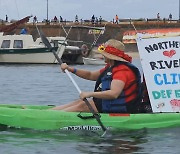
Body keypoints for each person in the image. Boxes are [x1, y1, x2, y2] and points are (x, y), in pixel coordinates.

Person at [51, 39, 142, 113]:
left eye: (104, 54)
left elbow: (114, 94)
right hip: (108, 104)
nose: (102, 56)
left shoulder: (122, 71)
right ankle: (49, 113)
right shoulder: (110, 67)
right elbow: (91, 75)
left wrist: (89, 94)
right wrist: (71, 69)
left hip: (122, 108)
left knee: (83, 106)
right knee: (80, 102)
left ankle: (51, 118)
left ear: (110, 56)